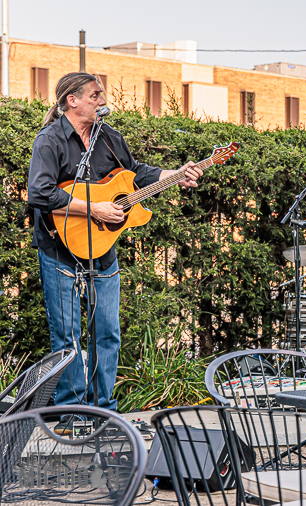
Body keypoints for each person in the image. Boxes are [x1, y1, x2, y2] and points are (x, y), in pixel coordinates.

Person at [27, 72, 203, 414]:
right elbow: (40, 193)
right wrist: (94, 208)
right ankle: (70, 411)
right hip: (58, 248)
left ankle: (103, 408)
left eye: (101, 95)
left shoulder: (109, 137)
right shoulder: (49, 140)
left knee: (107, 332)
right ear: (72, 101)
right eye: (95, 95)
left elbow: (137, 173)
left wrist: (177, 174)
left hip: (102, 249)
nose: (102, 101)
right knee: (67, 338)